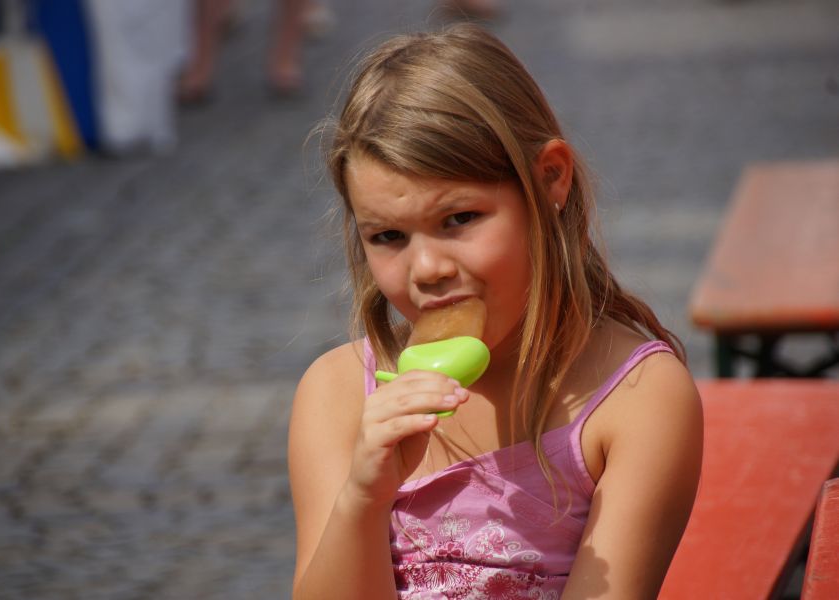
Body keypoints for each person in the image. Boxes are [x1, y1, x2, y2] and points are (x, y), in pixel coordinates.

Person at [289, 24, 703, 600]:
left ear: (550, 179)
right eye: (388, 236)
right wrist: (363, 497)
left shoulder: (636, 398)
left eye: (459, 219)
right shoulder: (337, 395)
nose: (427, 267)